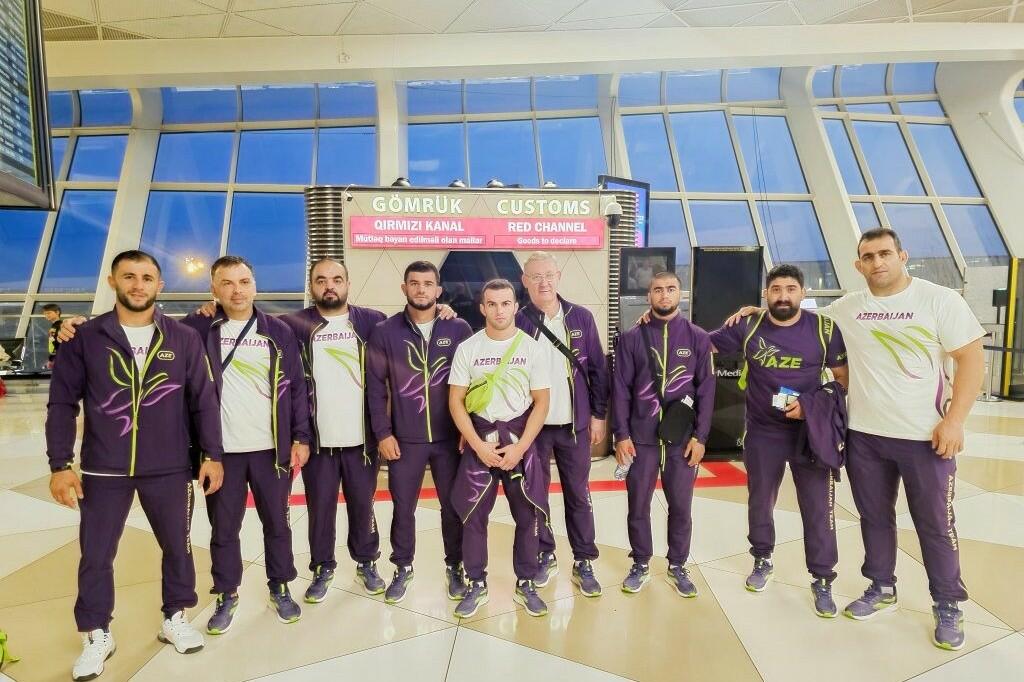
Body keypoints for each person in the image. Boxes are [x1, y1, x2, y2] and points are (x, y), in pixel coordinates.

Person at [726, 228, 985, 650]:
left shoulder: (939, 300)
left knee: (935, 523)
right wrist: (761, 312)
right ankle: (881, 586)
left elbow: (971, 358)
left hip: (925, 435)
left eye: (885, 253)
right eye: (869, 256)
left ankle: (948, 602)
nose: (877, 262)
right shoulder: (848, 308)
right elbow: (796, 317)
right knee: (874, 517)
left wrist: (955, 421)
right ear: (858, 264)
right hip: (864, 435)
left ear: (902, 255)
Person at [46, 250, 224, 681]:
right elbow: (62, 403)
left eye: (147, 277)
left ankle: (175, 617)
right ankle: (97, 632)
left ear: (159, 285)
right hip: (104, 468)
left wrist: (212, 455)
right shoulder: (85, 337)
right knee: (96, 554)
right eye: (129, 276)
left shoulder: (183, 338)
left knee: (177, 547)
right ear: (113, 281)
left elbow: (203, 401)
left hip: (169, 466)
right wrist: (60, 463)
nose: (138, 285)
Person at [708, 264, 848, 617]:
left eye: (790, 289)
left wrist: (811, 406)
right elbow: (701, 342)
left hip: (809, 433)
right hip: (762, 432)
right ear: (765, 294)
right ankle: (762, 558)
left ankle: (822, 578)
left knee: (818, 507)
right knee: (760, 501)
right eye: (776, 290)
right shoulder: (749, 326)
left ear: (802, 293)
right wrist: (661, 321)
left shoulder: (824, 329)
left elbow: (842, 379)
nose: (783, 296)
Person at [182, 256, 310, 634]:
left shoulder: (278, 331)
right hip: (219, 453)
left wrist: (300, 436)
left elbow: (297, 387)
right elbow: (145, 325)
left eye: (243, 282)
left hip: (272, 450)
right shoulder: (198, 328)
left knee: (278, 523)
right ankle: (226, 592)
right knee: (223, 528)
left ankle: (280, 586)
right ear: (213, 290)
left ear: (254, 285)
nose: (236, 291)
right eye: (227, 283)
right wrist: (79, 326)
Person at [365, 261, 473, 603]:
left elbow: (473, 383)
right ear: (404, 288)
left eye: (428, 284)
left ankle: (455, 566)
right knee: (403, 508)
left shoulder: (458, 328)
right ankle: (402, 567)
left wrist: (468, 429)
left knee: (453, 507)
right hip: (405, 440)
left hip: (449, 439)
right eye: (414, 283)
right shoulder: (385, 331)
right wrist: (383, 433)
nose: (421, 289)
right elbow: (375, 389)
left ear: (438, 290)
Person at [448, 279, 551, 618]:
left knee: (527, 514)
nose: (499, 310)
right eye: (492, 304)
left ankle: (526, 582)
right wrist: (478, 445)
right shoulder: (468, 348)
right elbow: (456, 401)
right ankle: (476, 583)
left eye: (505, 303)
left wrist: (521, 448)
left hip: (520, 442)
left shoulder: (532, 348)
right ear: (482, 308)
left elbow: (541, 402)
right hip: (481, 441)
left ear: (516, 306)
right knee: (474, 515)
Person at [613, 271, 714, 596]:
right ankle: (640, 562)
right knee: (638, 506)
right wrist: (621, 434)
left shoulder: (698, 338)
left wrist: (701, 437)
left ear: (680, 294)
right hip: (640, 439)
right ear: (649, 296)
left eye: (671, 289)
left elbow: (707, 390)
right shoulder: (631, 338)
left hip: (682, 440)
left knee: (681, 507)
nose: (664, 295)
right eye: (658, 290)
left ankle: (678, 565)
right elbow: (621, 390)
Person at [516, 252, 609, 597]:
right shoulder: (517, 320)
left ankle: (583, 559)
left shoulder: (581, 317)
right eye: (535, 276)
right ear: (525, 281)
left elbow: (598, 369)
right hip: (533, 429)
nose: (543, 282)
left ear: (558, 276)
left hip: (575, 426)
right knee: (535, 495)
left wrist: (598, 415)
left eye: (548, 275)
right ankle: (546, 552)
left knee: (579, 495)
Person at [43, 303, 62, 368]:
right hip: (59, 356)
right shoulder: (56, 325)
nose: (46, 315)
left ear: (57, 312)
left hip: (59, 357)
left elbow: (56, 343)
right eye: (45, 314)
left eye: (49, 313)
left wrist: (51, 359)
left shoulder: (57, 326)